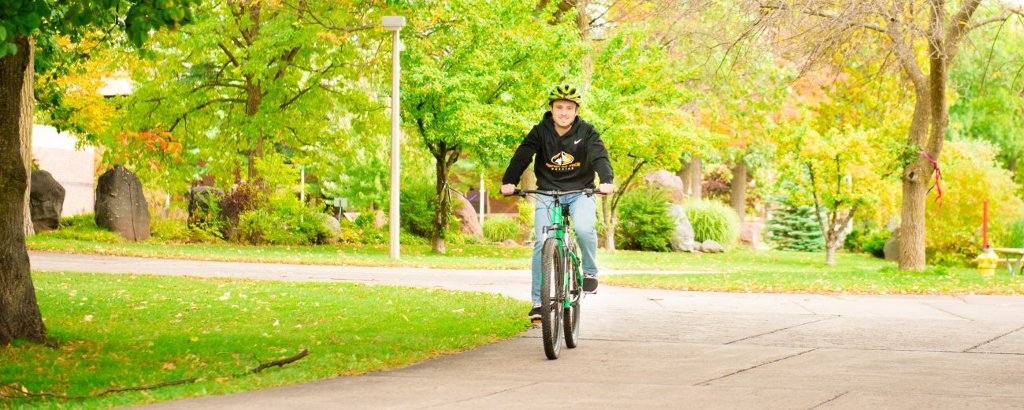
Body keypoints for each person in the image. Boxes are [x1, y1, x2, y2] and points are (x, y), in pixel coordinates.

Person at [500, 84, 614, 320]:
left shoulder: (587, 132)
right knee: (542, 243)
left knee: (583, 229)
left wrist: (606, 180)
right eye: (559, 107)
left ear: (576, 110)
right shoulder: (539, 132)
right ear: (551, 109)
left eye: (569, 108)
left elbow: (599, 156)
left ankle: (590, 271)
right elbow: (523, 154)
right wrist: (509, 181)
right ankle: (538, 303)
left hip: (581, 191)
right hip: (548, 193)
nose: (563, 112)